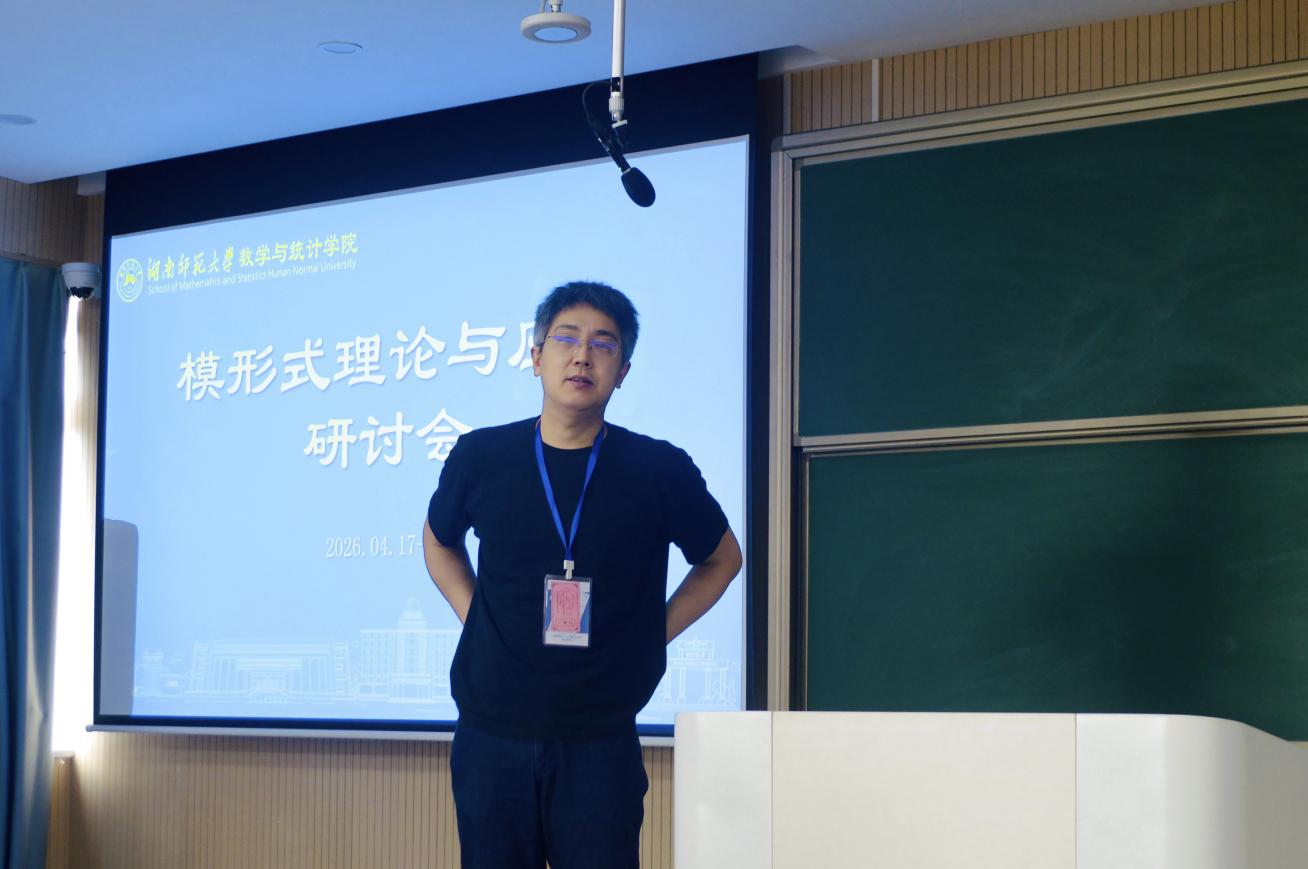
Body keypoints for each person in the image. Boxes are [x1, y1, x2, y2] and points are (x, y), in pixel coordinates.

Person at [421, 280, 742, 869]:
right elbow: (439, 541)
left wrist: (651, 633)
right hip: (491, 736)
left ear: (623, 371)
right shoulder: (481, 456)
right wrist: (477, 617)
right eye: (566, 339)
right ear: (536, 356)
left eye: (604, 344)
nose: (583, 356)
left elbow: (723, 559)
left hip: (600, 740)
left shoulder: (658, 469)